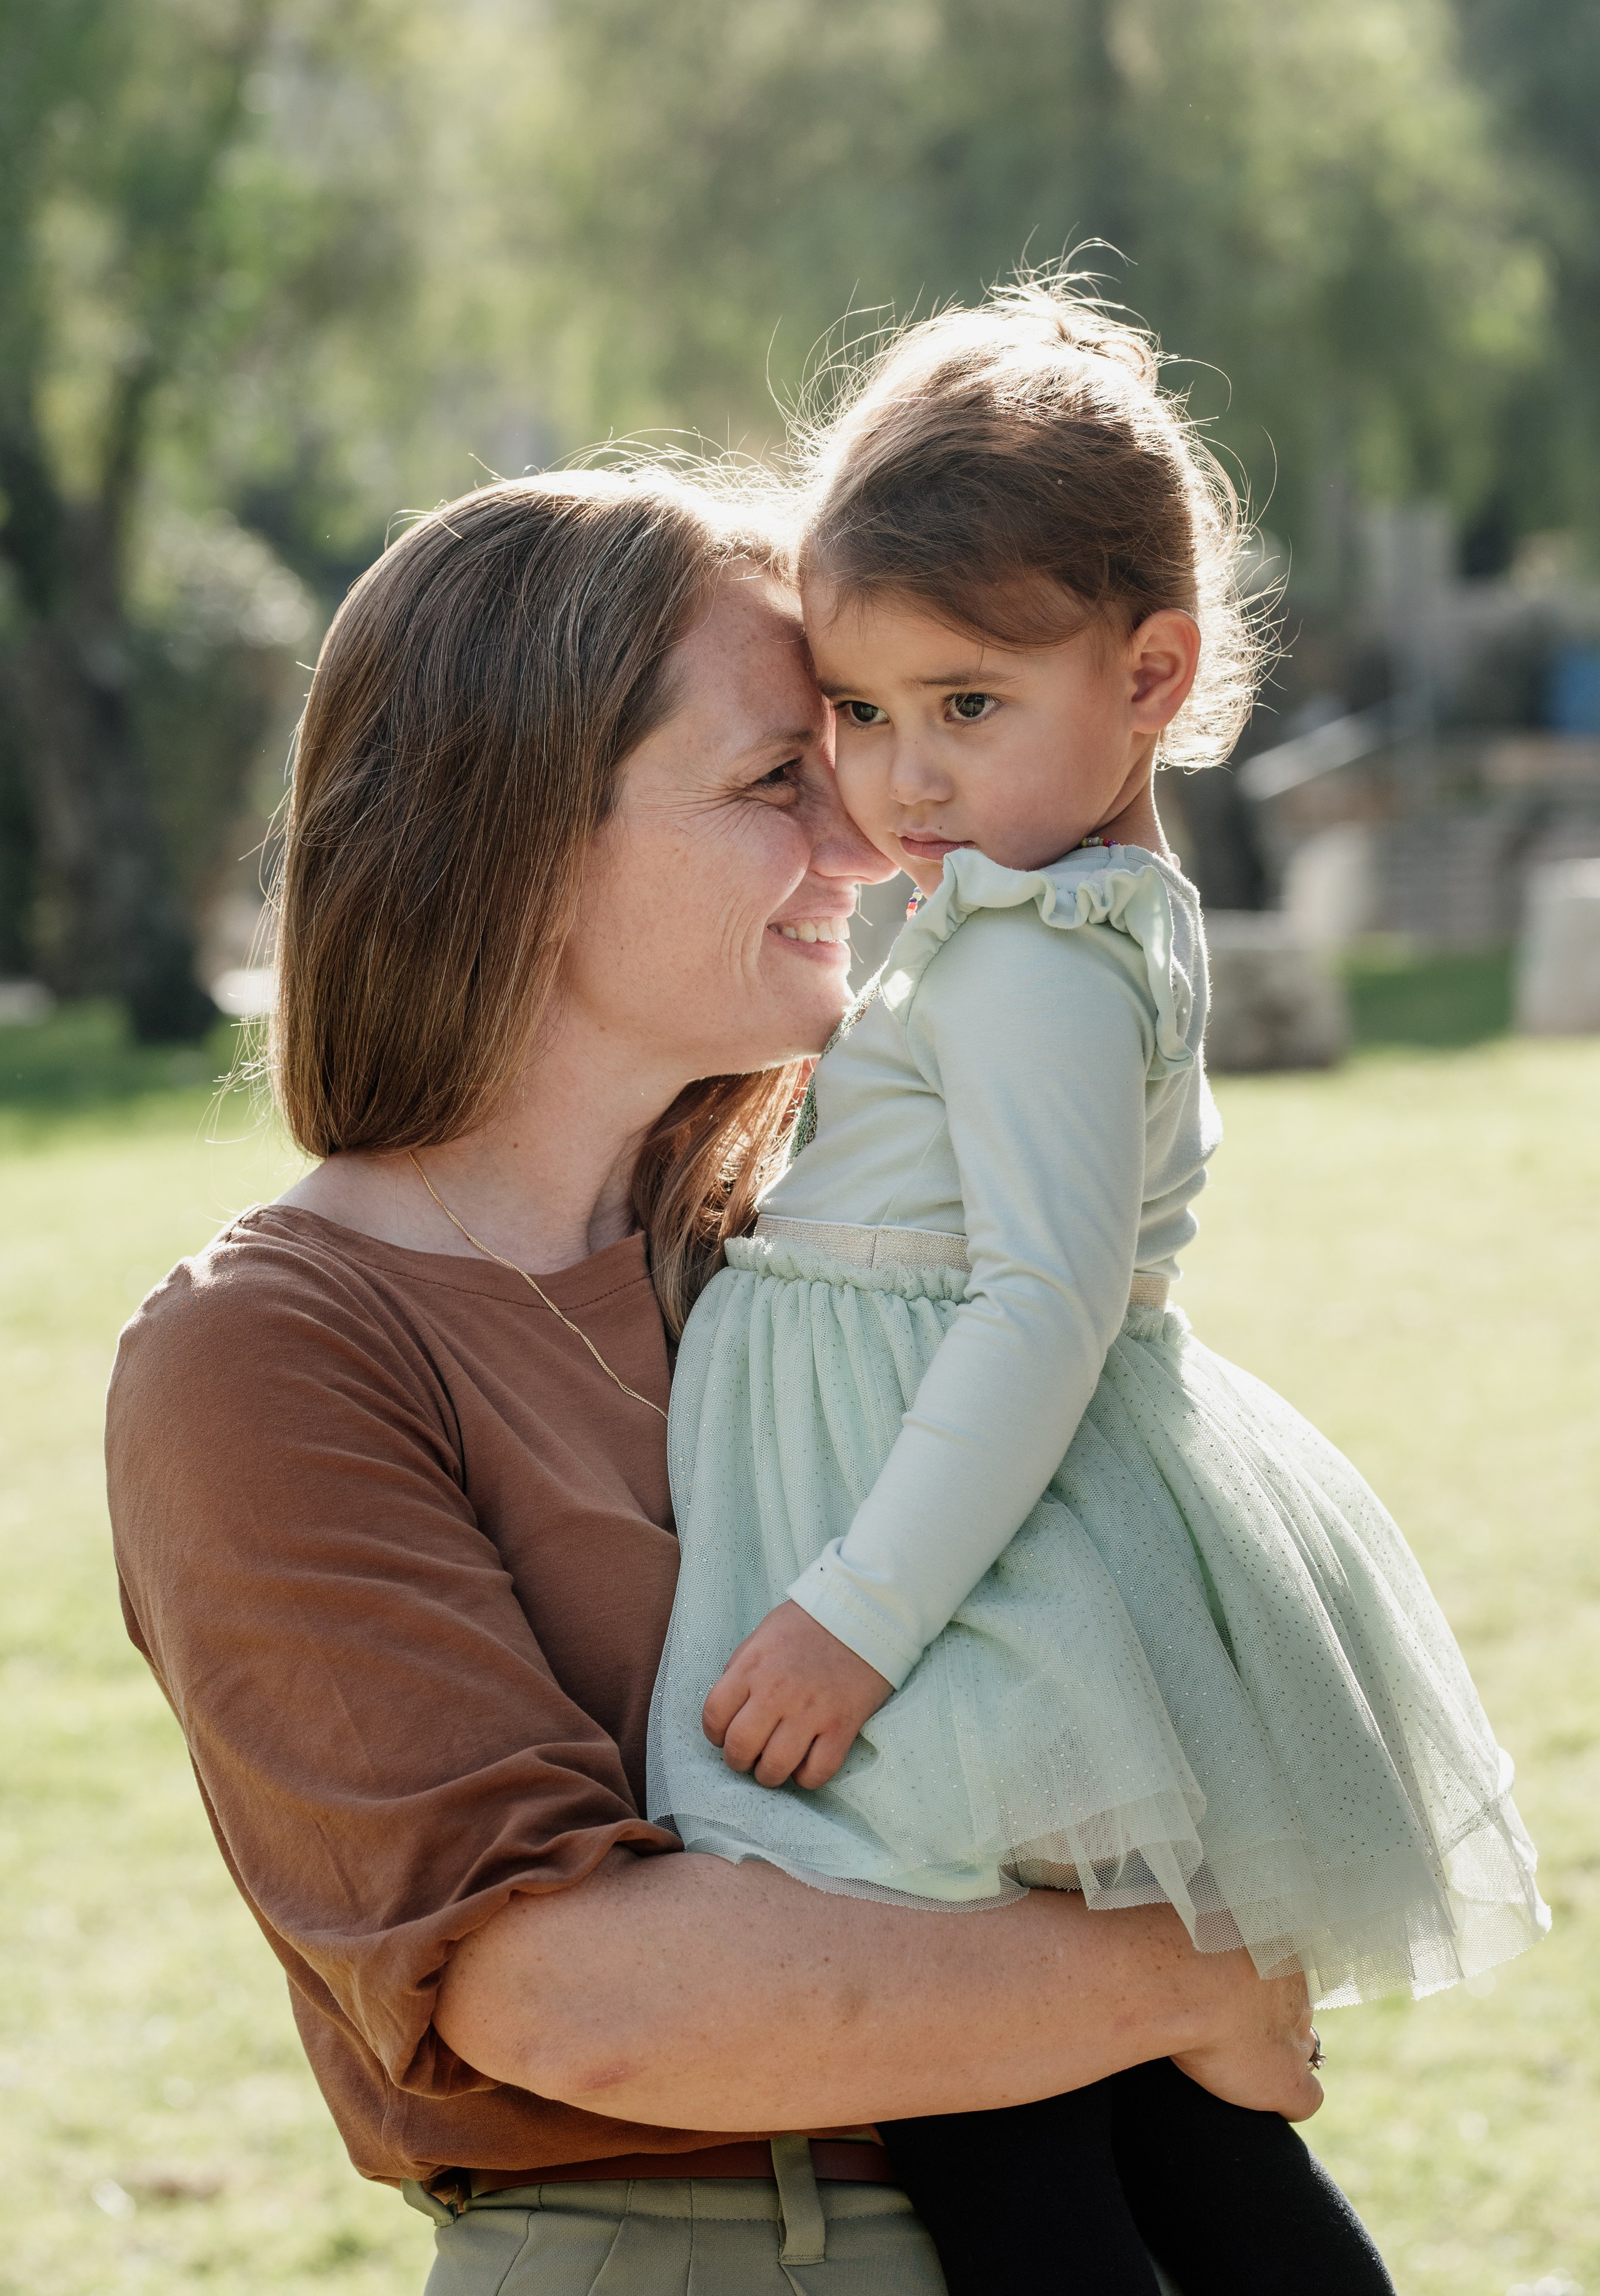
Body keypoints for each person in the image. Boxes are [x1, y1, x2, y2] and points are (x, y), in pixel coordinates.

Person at [106, 468, 1323, 2296]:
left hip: (1120, 2202)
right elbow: (569, 1996)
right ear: (508, 836)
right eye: (781, 776)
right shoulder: (268, 1354)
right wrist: (1175, 1976)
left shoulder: (826, 1252)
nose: (869, 829)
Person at [648, 284, 1551, 2295]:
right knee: (1136, 2105)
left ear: (1151, 672)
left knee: (996, 2101)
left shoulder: (1043, 957)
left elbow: (1043, 1302)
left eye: (967, 704)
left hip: (942, 1569)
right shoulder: (1056, 907)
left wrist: (848, 1625)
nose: (903, 781)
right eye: (859, 716)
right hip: (976, 1532)